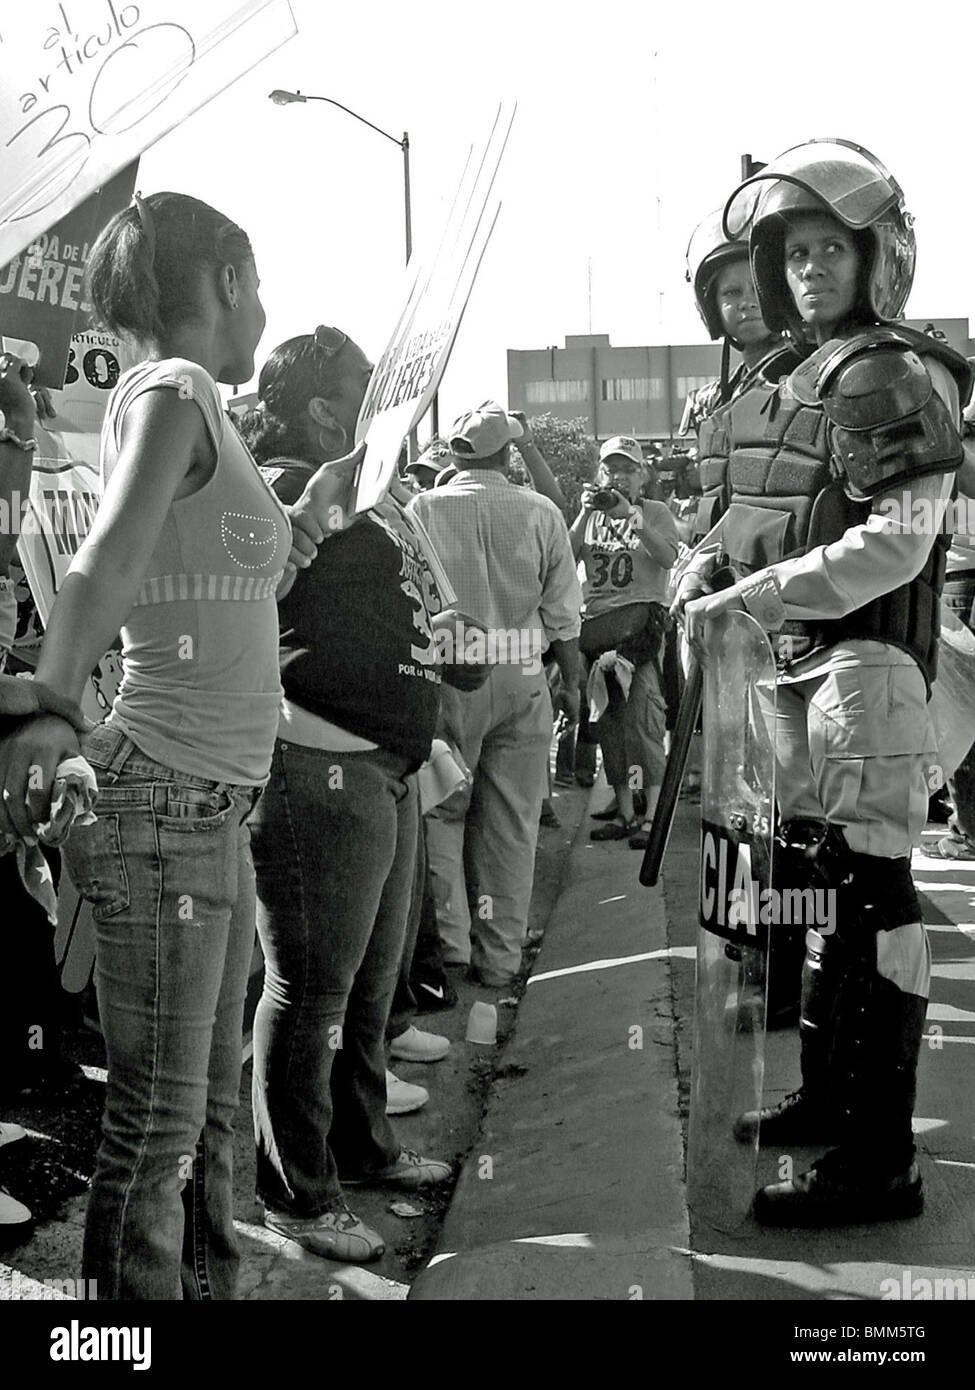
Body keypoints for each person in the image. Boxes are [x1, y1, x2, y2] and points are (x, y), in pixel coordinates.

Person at [0, 193, 298, 1299]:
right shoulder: (178, 390)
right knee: (160, 1130)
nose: (264, 307)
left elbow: (175, 571)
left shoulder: (184, 407)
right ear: (226, 278)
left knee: (203, 1114)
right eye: (256, 283)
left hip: (201, 811)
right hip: (166, 809)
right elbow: (107, 563)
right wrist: (53, 703)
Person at [675, 139, 972, 1226]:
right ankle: (829, 1105)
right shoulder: (800, 373)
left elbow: (896, 545)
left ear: (874, 253)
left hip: (867, 668)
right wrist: (716, 564)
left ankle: (878, 1160)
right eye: (793, 253)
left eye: (828, 250)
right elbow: (774, 514)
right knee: (822, 897)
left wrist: (751, 598)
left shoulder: (896, 367)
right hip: (802, 670)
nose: (807, 270)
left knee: (877, 904)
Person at [240, 327, 462, 1263]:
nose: (390, 400)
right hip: (317, 769)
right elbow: (264, 577)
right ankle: (295, 1194)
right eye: (367, 387)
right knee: (313, 990)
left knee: (369, 987)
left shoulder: (375, 495)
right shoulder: (289, 480)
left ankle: (363, 1150)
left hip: (385, 768)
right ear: (326, 411)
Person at [410, 403, 582, 989]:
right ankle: (501, 957)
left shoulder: (421, 510)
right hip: (523, 676)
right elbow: (563, 615)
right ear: (508, 455)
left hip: (449, 677)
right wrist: (573, 683)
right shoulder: (540, 511)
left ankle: (452, 946)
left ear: (452, 454)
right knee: (511, 822)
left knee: (444, 809)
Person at [569, 436, 679, 850]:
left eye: (627, 469)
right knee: (609, 725)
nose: (617, 477)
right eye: (611, 468)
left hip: (638, 635)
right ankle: (625, 811)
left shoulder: (655, 512)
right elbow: (564, 556)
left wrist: (631, 515)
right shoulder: (592, 517)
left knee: (641, 721)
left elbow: (668, 557)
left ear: (642, 476)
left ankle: (652, 815)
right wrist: (584, 513)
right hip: (598, 631)